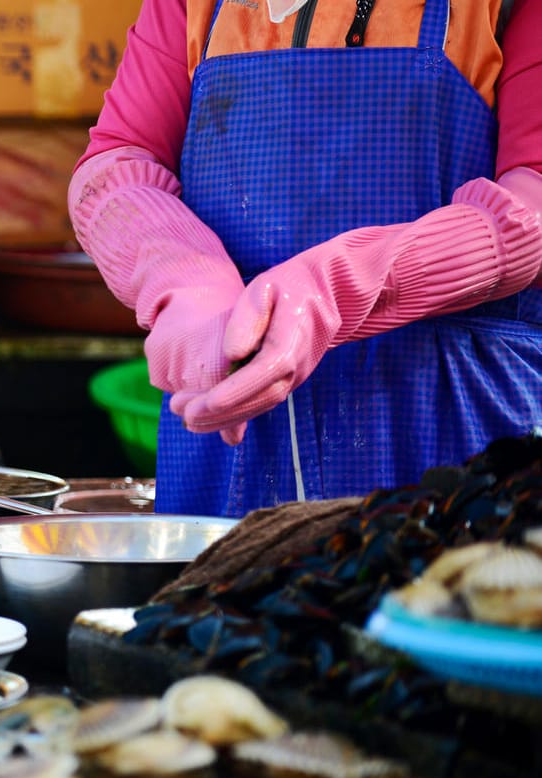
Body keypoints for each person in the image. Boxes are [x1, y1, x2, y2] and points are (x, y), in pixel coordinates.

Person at [71, 0, 542, 517]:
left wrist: (343, 284)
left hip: (447, 424)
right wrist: (181, 274)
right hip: (234, 431)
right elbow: (119, 160)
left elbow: (533, 196)